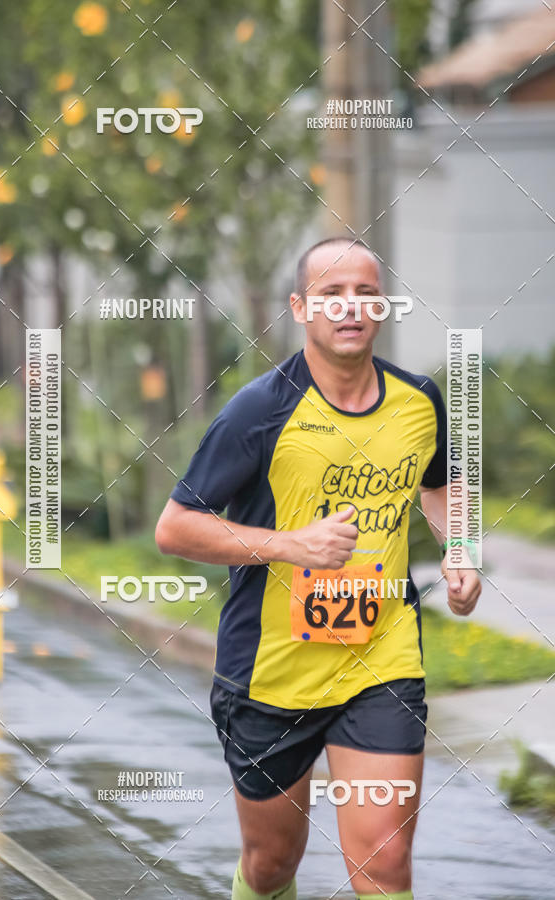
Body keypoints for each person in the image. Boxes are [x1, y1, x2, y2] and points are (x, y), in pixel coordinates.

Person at [155, 238, 481, 900]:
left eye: (365, 292)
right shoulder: (261, 410)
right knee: (272, 863)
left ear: (383, 306)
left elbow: (442, 486)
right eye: (332, 294)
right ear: (302, 308)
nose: (350, 306)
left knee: (384, 864)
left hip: (381, 659)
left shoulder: (419, 401)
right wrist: (289, 546)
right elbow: (176, 528)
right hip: (272, 670)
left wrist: (461, 548)